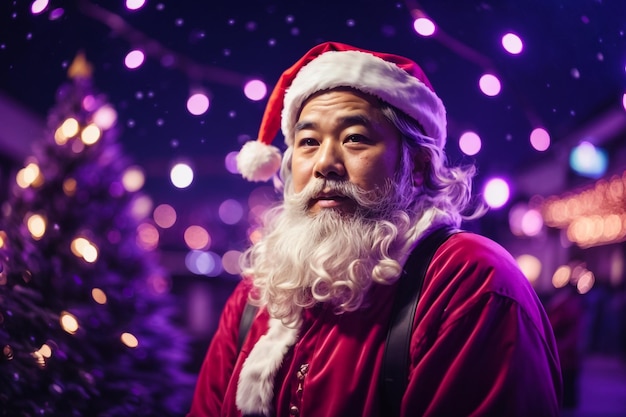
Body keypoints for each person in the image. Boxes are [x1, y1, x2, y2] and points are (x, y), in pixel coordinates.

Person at [188, 41, 562, 417]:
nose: (325, 164)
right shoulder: (257, 295)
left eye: (354, 138)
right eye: (308, 142)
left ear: (416, 165)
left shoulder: (468, 282)